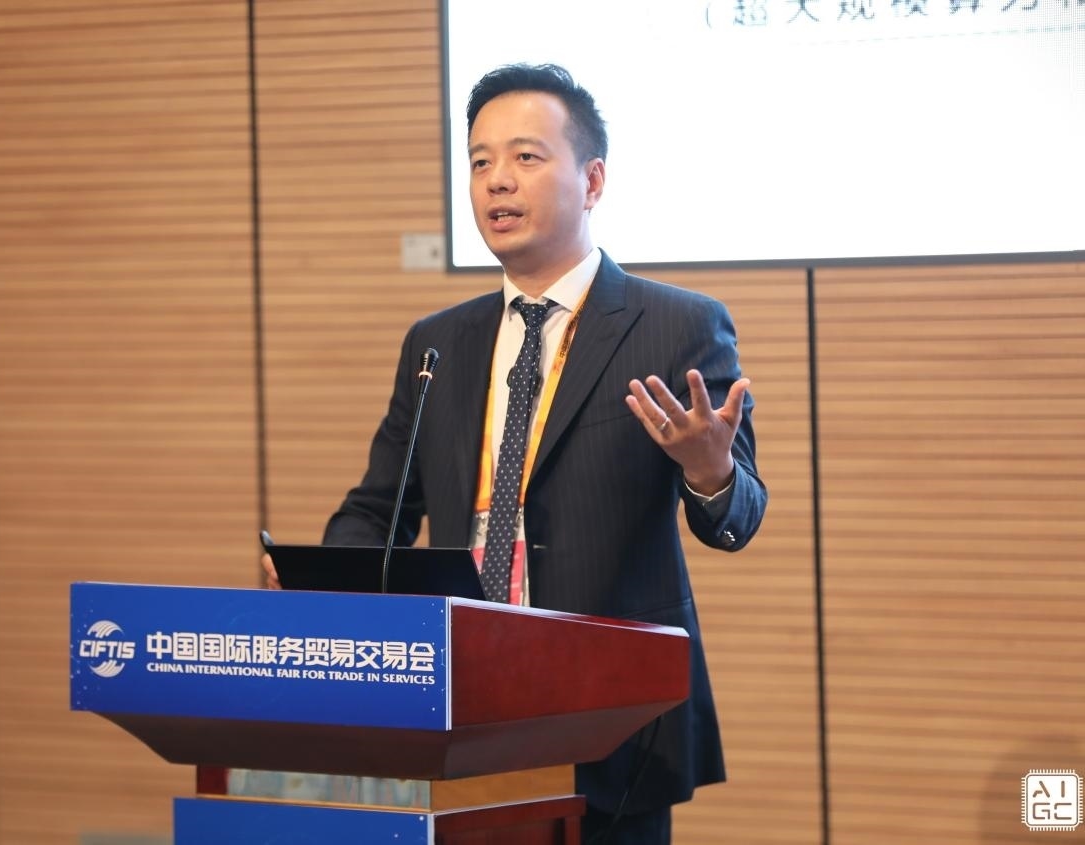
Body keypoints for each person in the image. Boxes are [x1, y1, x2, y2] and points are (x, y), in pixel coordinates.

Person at [263, 63, 766, 845]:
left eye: (526, 157)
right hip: (456, 702)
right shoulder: (437, 342)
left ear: (592, 180)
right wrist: (325, 579)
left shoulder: (678, 325)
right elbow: (378, 508)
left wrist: (709, 471)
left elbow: (738, 516)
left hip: (611, 718)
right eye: (479, 161)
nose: (497, 180)